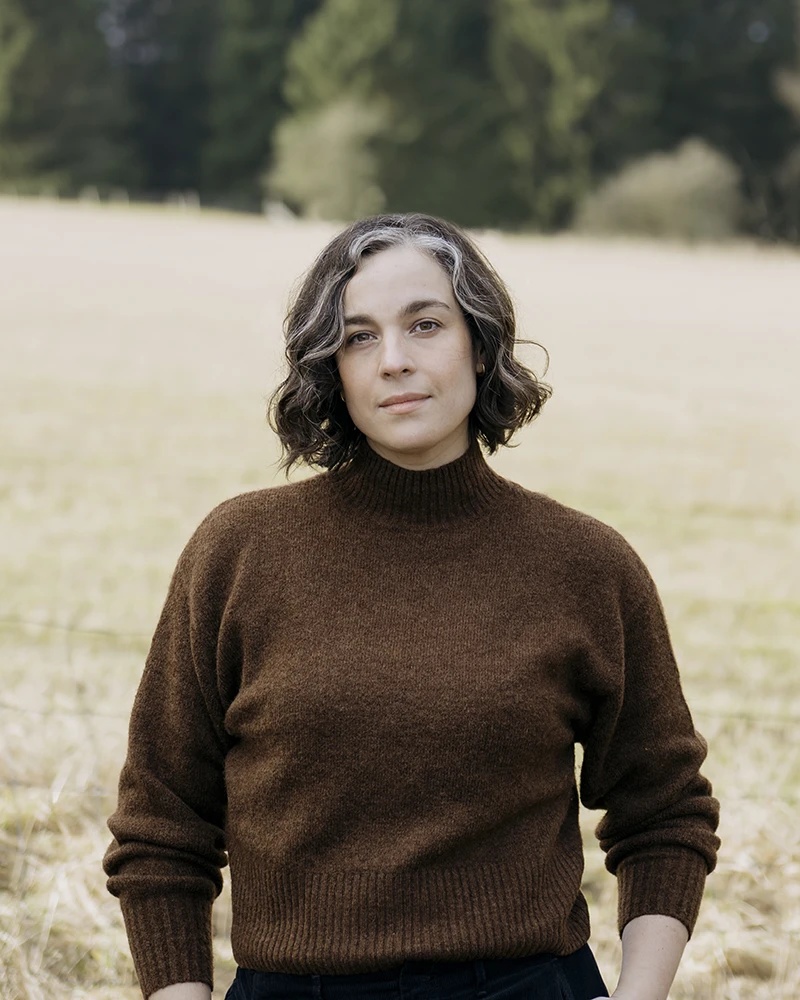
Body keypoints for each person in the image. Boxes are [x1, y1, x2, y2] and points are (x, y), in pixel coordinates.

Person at [103, 213, 720, 1000]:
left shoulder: (586, 565)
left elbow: (665, 811)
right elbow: (161, 823)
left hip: (524, 985)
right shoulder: (240, 551)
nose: (394, 360)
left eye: (425, 325)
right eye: (359, 337)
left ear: (483, 345)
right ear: (331, 368)